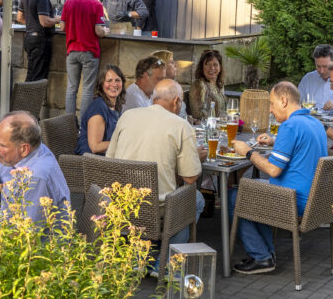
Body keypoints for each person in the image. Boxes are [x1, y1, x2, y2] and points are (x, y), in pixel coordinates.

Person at [229, 81, 328, 274]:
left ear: (283, 101)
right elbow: (301, 146)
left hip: (292, 199)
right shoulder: (315, 123)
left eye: (272, 104)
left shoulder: (289, 126)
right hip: (316, 199)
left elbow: (273, 170)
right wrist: (275, 141)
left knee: (235, 197)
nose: (270, 110)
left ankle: (261, 256)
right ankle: (265, 254)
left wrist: (247, 151)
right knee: (252, 189)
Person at [108, 79, 205, 242]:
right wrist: (196, 157)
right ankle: (167, 256)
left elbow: (110, 161)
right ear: (176, 101)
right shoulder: (181, 126)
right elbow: (190, 178)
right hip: (156, 207)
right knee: (196, 198)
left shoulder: (127, 116)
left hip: (121, 201)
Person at [0, 111, 71, 225]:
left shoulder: (35, 177)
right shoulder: (16, 156)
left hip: (26, 233)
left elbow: (28, 231)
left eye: (1, 145)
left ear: (24, 149)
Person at [62, 0, 110, 117]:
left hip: (72, 50)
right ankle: (84, 124)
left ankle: (69, 124)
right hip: (89, 51)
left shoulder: (69, 3)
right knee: (87, 90)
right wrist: (106, 31)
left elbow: (62, 27)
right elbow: (98, 31)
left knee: (71, 89)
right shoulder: (96, 5)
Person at [76, 64, 125, 155]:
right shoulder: (98, 107)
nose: (114, 84)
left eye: (117, 80)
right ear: (101, 84)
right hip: (90, 160)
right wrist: (123, 143)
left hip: (108, 156)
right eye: (109, 81)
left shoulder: (117, 106)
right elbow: (95, 147)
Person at [19, 0, 57, 82]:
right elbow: (44, 22)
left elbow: (20, 17)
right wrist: (58, 19)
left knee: (31, 74)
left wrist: (33, 23)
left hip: (29, 37)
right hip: (40, 40)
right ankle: (31, 95)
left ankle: (24, 94)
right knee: (38, 78)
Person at [298, 44, 333, 112]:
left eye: (325, 66)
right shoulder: (308, 79)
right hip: (311, 118)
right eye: (318, 66)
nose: (321, 71)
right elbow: (296, 104)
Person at [189, 49, 226, 121]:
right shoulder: (198, 85)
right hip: (206, 126)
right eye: (208, 64)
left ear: (220, 68)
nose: (212, 68)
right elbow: (197, 114)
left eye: (215, 65)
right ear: (202, 67)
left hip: (220, 124)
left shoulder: (219, 85)